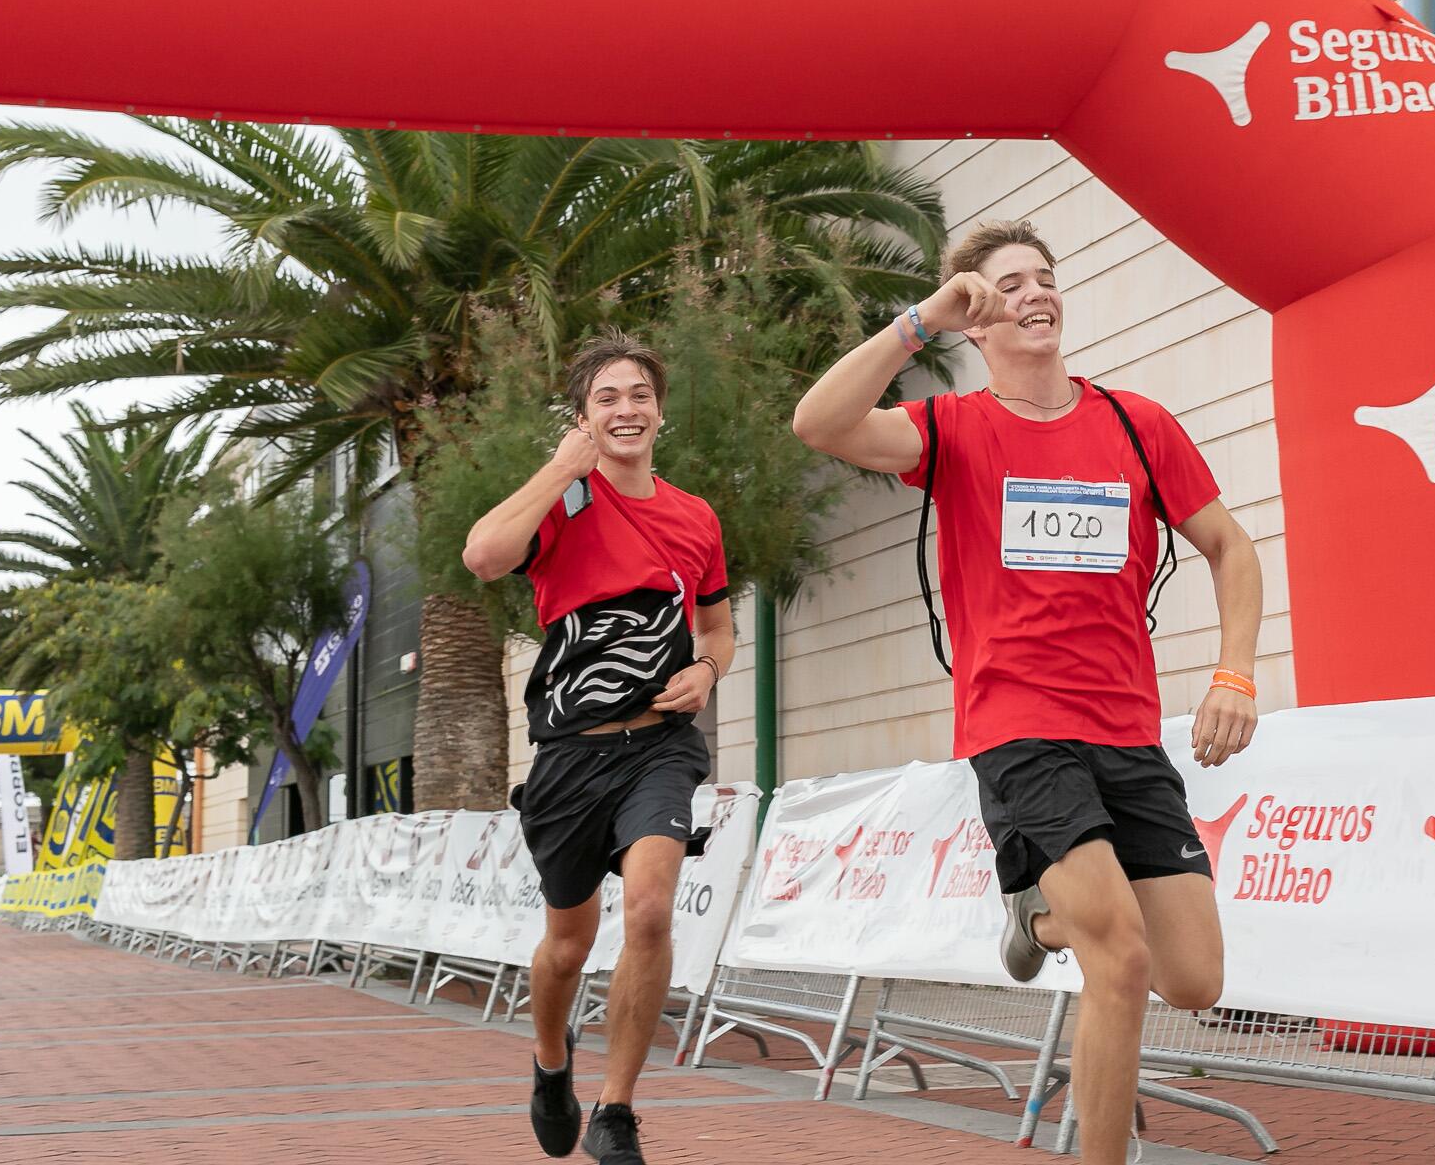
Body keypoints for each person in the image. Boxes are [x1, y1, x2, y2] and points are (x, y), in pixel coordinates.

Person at [792, 219, 1263, 1165]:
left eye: (1045, 279)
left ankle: (1035, 911)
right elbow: (820, 422)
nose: (1034, 294)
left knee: (1193, 977)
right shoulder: (954, 429)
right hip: (1017, 727)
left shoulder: (1137, 424)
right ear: (977, 316)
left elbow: (1232, 547)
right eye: (1008, 285)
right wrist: (922, 319)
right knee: (1120, 958)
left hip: (1126, 729)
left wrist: (1234, 672)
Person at [463, 331, 733, 1165]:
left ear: (661, 411)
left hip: (659, 747)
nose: (627, 409)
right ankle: (551, 1065)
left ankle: (616, 1112)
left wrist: (709, 670)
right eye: (607, 398)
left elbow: (717, 625)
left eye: (639, 395)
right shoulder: (562, 504)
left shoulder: (695, 517)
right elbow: (482, 556)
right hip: (570, 758)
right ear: (583, 417)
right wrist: (561, 469)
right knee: (568, 946)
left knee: (651, 908)